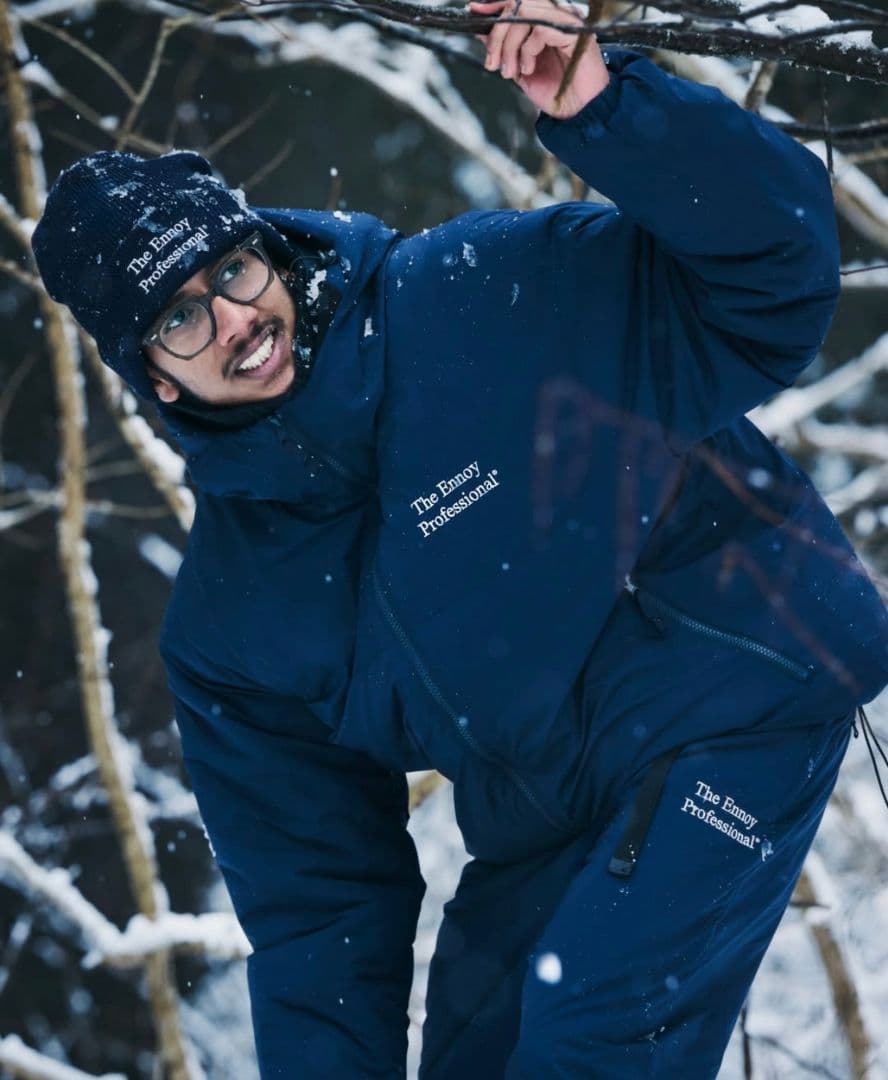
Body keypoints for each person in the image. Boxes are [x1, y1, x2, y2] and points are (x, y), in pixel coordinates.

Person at [32, 3, 888, 1076]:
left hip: (740, 691)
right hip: (546, 822)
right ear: (154, 376)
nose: (235, 320)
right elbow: (320, 909)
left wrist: (610, 110)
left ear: (270, 251)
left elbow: (777, 274)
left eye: (233, 271)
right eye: (180, 318)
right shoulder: (234, 623)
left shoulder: (484, 295)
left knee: (582, 1052)